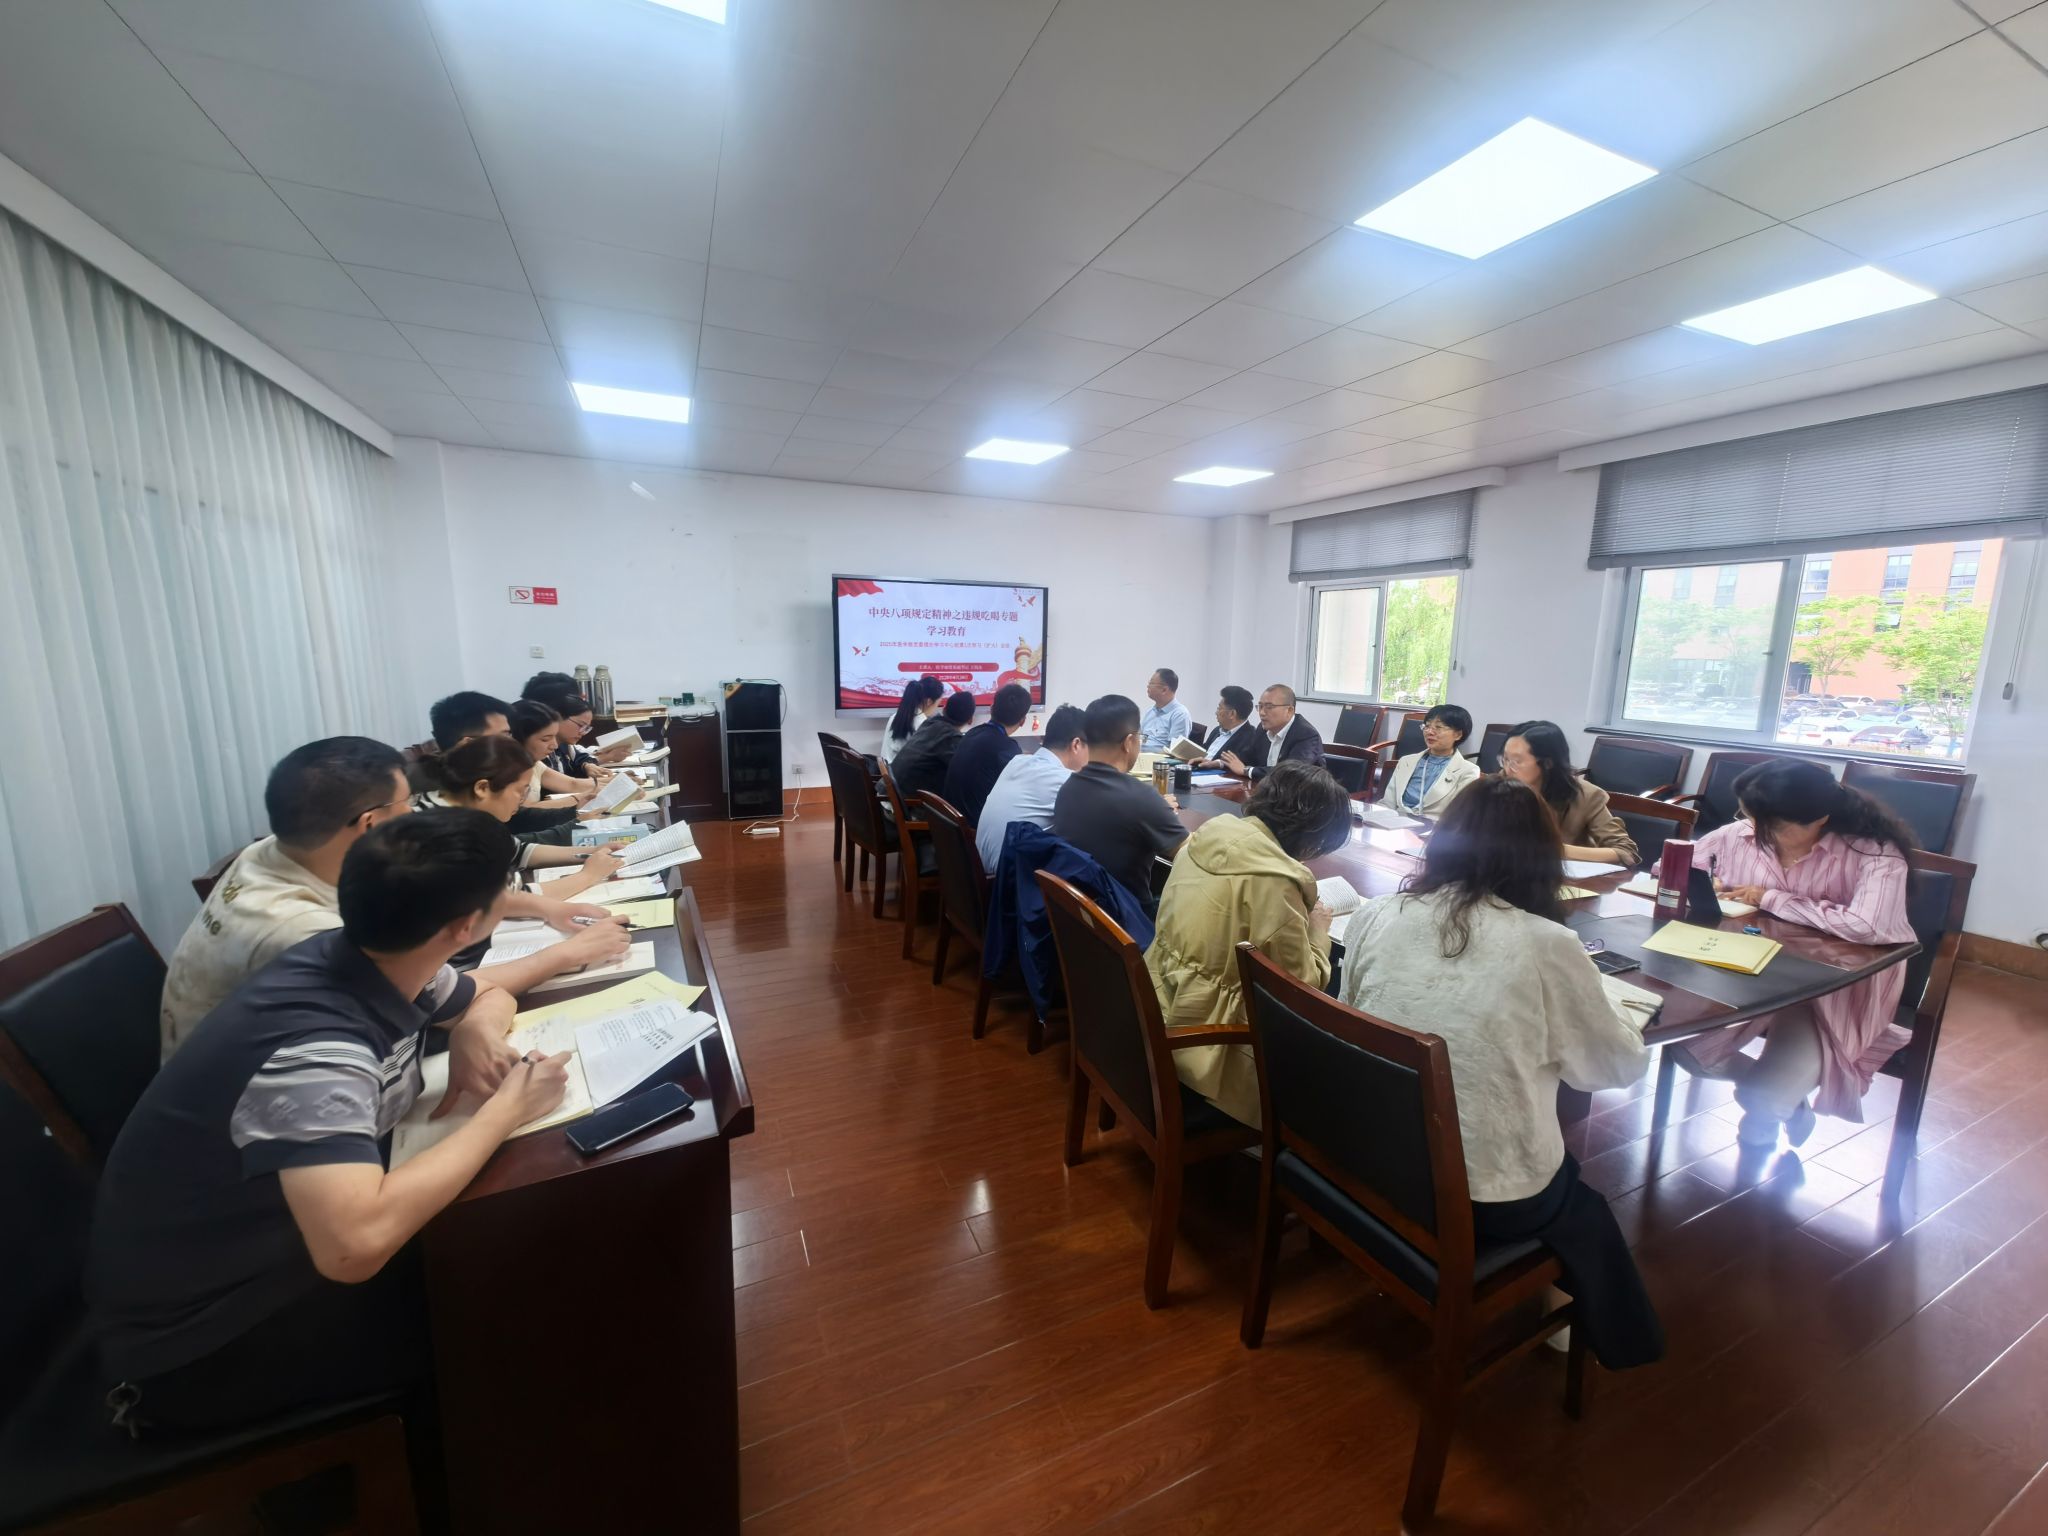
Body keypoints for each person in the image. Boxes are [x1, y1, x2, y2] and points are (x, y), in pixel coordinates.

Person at [88, 813, 575, 1433]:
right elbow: (353, 1249)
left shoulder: (374, 957)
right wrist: (507, 1110)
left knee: (527, 1254)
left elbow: (484, 993)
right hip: (205, 1341)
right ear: (466, 928)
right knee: (520, 1310)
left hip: (282, 1257)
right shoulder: (317, 1047)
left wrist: (472, 1029)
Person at [1337, 777, 1664, 1370]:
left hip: (1371, 1155)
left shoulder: (1378, 914)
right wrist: (1613, 1009)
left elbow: (1352, 1011)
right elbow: (1610, 1067)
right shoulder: (1546, 944)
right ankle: (1590, 1333)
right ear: (1542, 857)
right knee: (1577, 1201)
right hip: (1474, 1195)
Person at [1676, 759, 1918, 1149]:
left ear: (1819, 819)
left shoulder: (1875, 855)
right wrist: (1707, 881)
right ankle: (1781, 1095)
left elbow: (1866, 926)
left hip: (1832, 992)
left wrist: (1771, 898)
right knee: (1685, 1049)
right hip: (1751, 974)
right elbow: (1670, 867)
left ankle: (1769, 1110)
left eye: (1772, 824)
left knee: (1762, 1099)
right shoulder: (1741, 833)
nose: (1755, 830)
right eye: (1749, 816)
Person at [159, 738, 413, 1060]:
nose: (412, 813)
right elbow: (423, 1008)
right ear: (370, 823)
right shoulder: (302, 930)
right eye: (407, 803)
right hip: (253, 1080)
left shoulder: (267, 852)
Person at [1149, 761, 1354, 1127]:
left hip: (1159, 1002)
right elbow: (1300, 987)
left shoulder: (1205, 838)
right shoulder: (1274, 881)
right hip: (1206, 1048)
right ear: (1312, 836)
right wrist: (1318, 932)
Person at [412, 736, 626, 897]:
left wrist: (592, 851)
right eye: (520, 790)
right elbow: (508, 900)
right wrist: (587, 876)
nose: (523, 800)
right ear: (482, 788)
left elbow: (516, 850)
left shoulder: (460, 808)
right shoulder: (443, 831)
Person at [1051, 694, 1188, 909]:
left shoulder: (1066, 789)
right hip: (1128, 920)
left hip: (1081, 914)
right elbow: (1190, 852)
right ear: (1129, 742)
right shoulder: (1141, 798)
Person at [1500, 721, 1638, 866]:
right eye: (1505, 759)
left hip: (1560, 876)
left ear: (1548, 763)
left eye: (1517, 761)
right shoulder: (1498, 785)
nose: (1508, 769)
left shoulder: (1586, 796)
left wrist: (1554, 850)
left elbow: (1626, 851)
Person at [975, 704, 1089, 871]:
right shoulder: (1065, 780)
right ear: (1076, 745)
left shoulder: (1017, 762)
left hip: (980, 869)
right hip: (1005, 880)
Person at [943, 682, 1031, 823]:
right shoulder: (1007, 749)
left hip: (951, 824)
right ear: (1023, 721)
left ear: (991, 708)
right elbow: (1022, 794)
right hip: (975, 830)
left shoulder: (971, 733)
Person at [1382, 704, 1482, 817]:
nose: (1429, 732)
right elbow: (1387, 803)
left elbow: (1459, 815)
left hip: (1435, 826)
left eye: (1438, 727)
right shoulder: (1406, 761)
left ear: (1458, 735)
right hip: (1394, 821)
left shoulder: (1468, 771)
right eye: (1427, 726)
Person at [506, 698, 598, 812]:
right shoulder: (506, 770)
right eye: (545, 739)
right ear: (518, 738)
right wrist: (582, 798)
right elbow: (525, 811)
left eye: (554, 737)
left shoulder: (534, 763)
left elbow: (571, 784)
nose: (554, 745)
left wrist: (612, 784)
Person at [1220, 684, 1326, 782]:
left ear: (1289, 710)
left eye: (1269, 707)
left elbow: (1290, 773)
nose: (1262, 712)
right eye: (1260, 706)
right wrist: (1222, 763)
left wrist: (1247, 771)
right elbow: (1248, 755)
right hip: (1268, 790)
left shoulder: (1307, 735)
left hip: (1300, 794)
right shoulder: (1263, 729)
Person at [890, 689, 975, 804]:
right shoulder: (951, 738)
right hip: (905, 805)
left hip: (890, 795)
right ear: (970, 720)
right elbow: (966, 775)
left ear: (944, 709)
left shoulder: (929, 723)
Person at [880, 675, 946, 767]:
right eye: (938, 703)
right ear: (929, 702)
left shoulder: (896, 716)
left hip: (888, 770)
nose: (936, 708)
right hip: (901, 773)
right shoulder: (922, 724)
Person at [1197, 685, 1260, 769]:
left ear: (1232, 714)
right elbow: (1204, 750)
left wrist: (1214, 763)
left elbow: (1241, 762)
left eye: (1219, 708)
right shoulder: (1217, 730)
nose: (1216, 713)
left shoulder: (1251, 737)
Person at [1140, 668, 1192, 752]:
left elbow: (1175, 751)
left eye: (1151, 683)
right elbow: (1140, 737)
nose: (1148, 686)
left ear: (1164, 690)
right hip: (1140, 755)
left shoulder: (1180, 714)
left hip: (1159, 759)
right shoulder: (1150, 711)